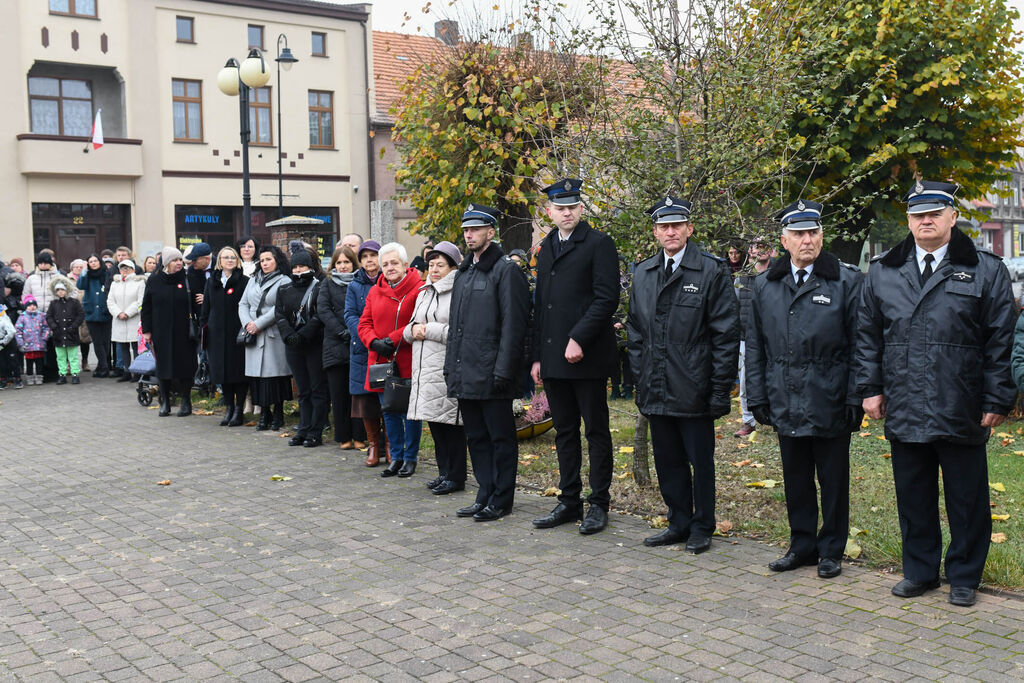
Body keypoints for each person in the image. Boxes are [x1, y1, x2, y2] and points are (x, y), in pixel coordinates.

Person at [858, 180, 1016, 608]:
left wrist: (996, 397)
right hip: (905, 401)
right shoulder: (883, 271)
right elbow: (867, 337)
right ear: (907, 220)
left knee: (966, 498)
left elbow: (1000, 340)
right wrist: (870, 389)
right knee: (913, 494)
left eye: (934, 213)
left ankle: (964, 576)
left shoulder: (986, 269)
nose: (925, 221)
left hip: (959, 401)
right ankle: (920, 571)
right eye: (917, 215)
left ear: (952, 216)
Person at [746, 200, 863, 579]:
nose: (806, 240)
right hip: (784, 395)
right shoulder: (765, 285)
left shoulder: (846, 281)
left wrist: (854, 396)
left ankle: (831, 550)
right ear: (784, 240)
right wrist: (756, 396)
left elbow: (861, 345)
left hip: (830, 396)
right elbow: (756, 346)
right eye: (798, 234)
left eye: (812, 232)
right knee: (796, 478)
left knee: (833, 479)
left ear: (821, 236)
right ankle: (802, 545)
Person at [626, 196, 739, 553]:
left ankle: (703, 525)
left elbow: (725, 334)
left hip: (695, 386)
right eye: (664, 226)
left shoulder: (710, 270)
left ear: (689, 229)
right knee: (668, 460)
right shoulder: (642, 272)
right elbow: (635, 331)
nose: (671, 231)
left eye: (677, 225)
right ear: (656, 232)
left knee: (699, 462)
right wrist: (640, 376)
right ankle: (678, 521)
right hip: (656, 385)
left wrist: (720, 388)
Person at [531, 178, 619, 536]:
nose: (566, 213)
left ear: (581, 209)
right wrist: (536, 356)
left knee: (595, 431)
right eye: (559, 207)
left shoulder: (599, 243)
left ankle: (599, 503)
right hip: (553, 358)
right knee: (564, 432)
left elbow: (606, 298)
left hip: (588, 356)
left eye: (572, 207)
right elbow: (542, 306)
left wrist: (578, 337)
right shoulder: (547, 245)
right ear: (549, 211)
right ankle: (569, 500)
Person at [445, 204, 530, 521]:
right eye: (466, 229)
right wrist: (450, 368)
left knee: (500, 439)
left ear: (490, 232)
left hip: (494, 373)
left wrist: (505, 371)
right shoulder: (464, 272)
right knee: (476, 438)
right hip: (466, 371)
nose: (469, 235)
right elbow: (456, 326)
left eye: (476, 229)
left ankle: (502, 498)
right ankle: (484, 492)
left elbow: (514, 326)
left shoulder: (506, 270)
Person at [404, 241, 467, 495]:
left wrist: (427, 330)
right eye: (431, 265)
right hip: (423, 369)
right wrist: (412, 331)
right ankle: (444, 473)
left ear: (453, 267)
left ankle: (457, 476)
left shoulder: (458, 291)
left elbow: (459, 331)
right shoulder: (424, 291)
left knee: (451, 425)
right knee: (436, 425)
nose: (434, 269)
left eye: (440, 265)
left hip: (444, 366)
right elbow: (411, 326)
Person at [358, 242, 423, 476]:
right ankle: (395, 456)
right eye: (385, 264)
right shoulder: (375, 291)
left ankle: (410, 457)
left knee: (409, 411)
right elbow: (364, 322)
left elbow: (417, 322)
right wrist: (373, 341)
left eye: (394, 263)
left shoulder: (419, 289)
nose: (389, 267)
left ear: (405, 265)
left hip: (407, 357)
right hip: (382, 361)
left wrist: (392, 339)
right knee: (389, 410)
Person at [275, 250, 327, 447]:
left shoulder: (320, 287)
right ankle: (303, 428)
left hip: (314, 344)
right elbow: (279, 314)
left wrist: (304, 334)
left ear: (310, 267)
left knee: (317, 389)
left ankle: (316, 431)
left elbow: (319, 314)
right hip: (292, 345)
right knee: (303, 390)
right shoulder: (285, 289)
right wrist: (289, 335)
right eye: (295, 266)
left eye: (302, 266)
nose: (298, 270)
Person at [318, 246, 366, 449]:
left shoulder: (360, 282)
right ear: (334, 265)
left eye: (347, 262)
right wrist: (341, 331)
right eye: (339, 262)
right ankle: (343, 436)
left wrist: (354, 331)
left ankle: (359, 436)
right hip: (334, 344)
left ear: (353, 263)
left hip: (358, 343)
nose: (343, 266)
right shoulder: (327, 283)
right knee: (338, 394)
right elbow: (323, 309)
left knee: (358, 395)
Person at [239, 245, 291, 431]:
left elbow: (280, 307)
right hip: (253, 335)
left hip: (272, 334)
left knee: (274, 377)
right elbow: (243, 304)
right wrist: (247, 324)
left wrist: (258, 324)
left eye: (268, 259)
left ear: (277, 260)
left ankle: (278, 414)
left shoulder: (284, 280)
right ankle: (264, 413)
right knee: (257, 379)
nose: (265, 263)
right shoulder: (253, 280)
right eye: (262, 260)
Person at [141, 247, 199, 416]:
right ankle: (164, 400)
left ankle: (186, 401)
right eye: (174, 260)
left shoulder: (189, 279)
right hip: (161, 331)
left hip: (184, 331)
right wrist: (147, 330)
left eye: (180, 260)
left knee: (185, 367)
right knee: (164, 367)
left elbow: (197, 302)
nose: (179, 263)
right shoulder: (155, 280)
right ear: (166, 263)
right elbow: (147, 307)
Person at [345, 240, 388, 465]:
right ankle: (373, 445)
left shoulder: (389, 279)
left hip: (386, 346)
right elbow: (350, 314)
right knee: (366, 400)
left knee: (388, 399)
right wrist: (366, 336)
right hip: (362, 348)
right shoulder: (354, 284)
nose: (370, 260)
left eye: (374, 255)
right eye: (365, 256)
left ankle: (390, 445)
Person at [199, 246, 250, 426]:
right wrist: (203, 329)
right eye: (226, 257)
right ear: (219, 261)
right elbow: (205, 308)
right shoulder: (212, 282)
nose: (229, 260)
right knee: (222, 373)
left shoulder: (245, 281)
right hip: (216, 334)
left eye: (233, 257)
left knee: (238, 373)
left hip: (237, 334)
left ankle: (239, 410)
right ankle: (228, 407)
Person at [733, 239, 773, 437]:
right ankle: (748, 421)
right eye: (757, 246)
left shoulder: (779, 274)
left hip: (774, 338)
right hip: (746, 338)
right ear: (750, 250)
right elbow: (734, 307)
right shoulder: (742, 277)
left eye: (765, 245)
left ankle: (777, 418)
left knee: (775, 378)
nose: (761, 249)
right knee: (746, 381)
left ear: (773, 250)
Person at [107, 259, 146, 381]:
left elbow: (140, 301)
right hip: (119, 319)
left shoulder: (139, 283)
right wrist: (118, 313)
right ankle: (126, 371)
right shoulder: (115, 284)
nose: (125, 271)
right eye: (122, 268)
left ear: (133, 270)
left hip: (133, 319)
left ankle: (137, 372)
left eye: (127, 268)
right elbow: (110, 301)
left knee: (135, 346)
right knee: (123, 346)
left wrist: (128, 313)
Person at [46, 275, 85, 385]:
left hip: (71, 333)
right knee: (61, 356)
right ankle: (62, 374)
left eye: (62, 289)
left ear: (67, 290)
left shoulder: (74, 302)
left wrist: (73, 326)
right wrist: (54, 326)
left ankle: (75, 374)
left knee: (73, 356)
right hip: (58, 334)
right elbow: (49, 316)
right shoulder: (53, 304)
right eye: (58, 290)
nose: (60, 292)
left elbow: (80, 315)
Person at [78, 255, 113, 378]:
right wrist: (84, 271)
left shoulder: (107, 274)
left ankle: (101, 365)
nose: (93, 263)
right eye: (90, 262)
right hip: (91, 312)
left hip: (105, 312)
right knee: (97, 342)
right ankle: (104, 367)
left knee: (105, 341)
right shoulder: (87, 275)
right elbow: (80, 285)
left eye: (95, 261)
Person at [14, 295, 50, 385]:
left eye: (34, 305)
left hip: (39, 344)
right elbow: (18, 331)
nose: (32, 307)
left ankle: (39, 376)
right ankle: (29, 377)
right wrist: (20, 343)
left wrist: (44, 338)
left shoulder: (41, 316)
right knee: (29, 363)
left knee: (39, 362)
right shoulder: (22, 317)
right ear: (26, 307)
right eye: (29, 305)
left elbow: (46, 327)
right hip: (27, 345)